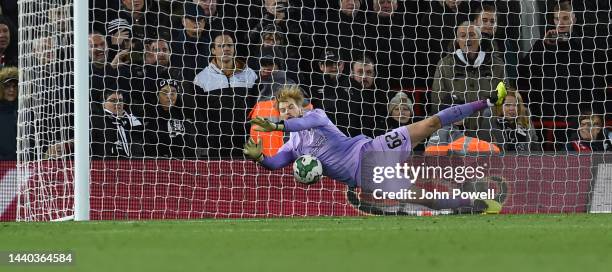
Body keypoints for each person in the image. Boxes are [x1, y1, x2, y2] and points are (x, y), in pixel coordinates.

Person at [243, 83, 509, 213]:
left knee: (429, 124)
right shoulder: (294, 146)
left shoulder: (317, 117)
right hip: (367, 176)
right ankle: (480, 205)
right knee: (421, 197)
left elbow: (297, 124)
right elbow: (276, 163)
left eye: (290, 107)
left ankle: (488, 100)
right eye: (282, 110)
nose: (286, 112)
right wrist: (261, 158)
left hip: (374, 148)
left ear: (300, 107)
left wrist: (276, 127)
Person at [431, 21, 505, 134]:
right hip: (456, 131)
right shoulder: (444, 65)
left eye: (472, 35)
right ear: (457, 41)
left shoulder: (497, 65)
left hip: (489, 130)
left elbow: (506, 95)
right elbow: (437, 100)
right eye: (463, 36)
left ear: (480, 38)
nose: (467, 39)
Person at [144, 79, 198, 159]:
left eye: (173, 92)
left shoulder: (186, 114)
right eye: (165, 92)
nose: (169, 96)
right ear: (157, 94)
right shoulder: (148, 116)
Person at [90, 90, 145, 158]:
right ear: (103, 103)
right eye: (113, 100)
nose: (118, 103)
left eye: (120, 100)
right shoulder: (96, 120)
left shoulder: (134, 120)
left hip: (135, 163)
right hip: (105, 163)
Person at [0, 66, 17, 160]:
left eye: (15, 86)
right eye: (7, 86)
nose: (12, 90)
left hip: (21, 164)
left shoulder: (23, 111)